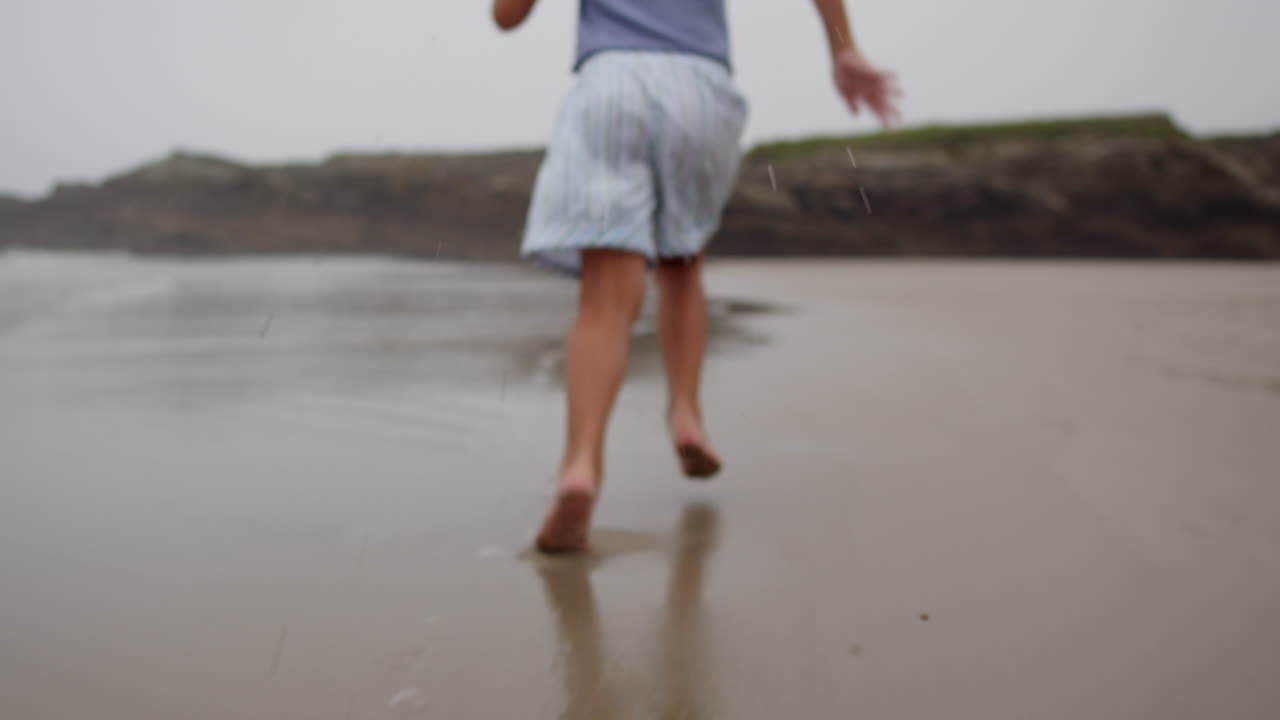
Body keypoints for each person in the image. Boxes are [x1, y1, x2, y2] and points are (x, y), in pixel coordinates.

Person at [492, 0, 901, 553]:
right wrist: (843, 48)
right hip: (702, 87)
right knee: (683, 266)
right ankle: (686, 414)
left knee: (606, 301)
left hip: (613, 81)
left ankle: (580, 464)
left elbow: (507, 15)